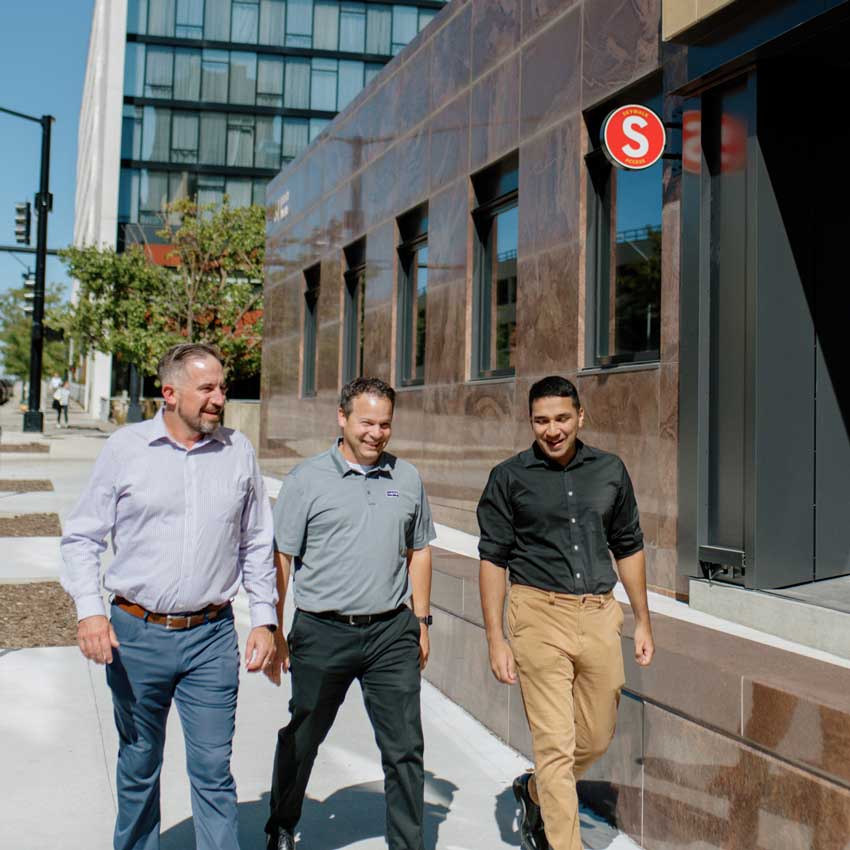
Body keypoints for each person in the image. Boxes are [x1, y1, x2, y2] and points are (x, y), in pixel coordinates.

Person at [60, 342, 278, 850]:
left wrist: (265, 620)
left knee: (213, 770)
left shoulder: (238, 451)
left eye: (222, 387)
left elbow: (257, 542)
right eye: (207, 388)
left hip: (211, 637)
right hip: (135, 635)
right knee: (138, 763)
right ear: (169, 392)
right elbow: (82, 537)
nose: (219, 398)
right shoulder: (126, 448)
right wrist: (90, 614)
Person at [477, 376, 655, 850]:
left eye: (561, 418)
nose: (551, 430)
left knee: (595, 736)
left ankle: (535, 791)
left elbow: (629, 545)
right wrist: (496, 637)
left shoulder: (611, 471)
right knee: (554, 744)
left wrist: (642, 619)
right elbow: (493, 559)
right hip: (537, 613)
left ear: (580, 417)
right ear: (530, 421)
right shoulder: (509, 478)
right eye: (541, 420)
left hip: (599, 613)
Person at [264, 377, 435, 850]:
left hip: (390, 632)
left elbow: (420, 550)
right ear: (342, 418)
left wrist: (421, 621)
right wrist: (275, 628)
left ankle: (408, 845)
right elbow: (281, 559)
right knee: (303, 737)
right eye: (366, 422)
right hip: (322, 631)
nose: (376, 433)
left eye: (384, 424)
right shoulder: (306, 480)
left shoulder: (407, 478)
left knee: (405, 749)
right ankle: (281, 823)